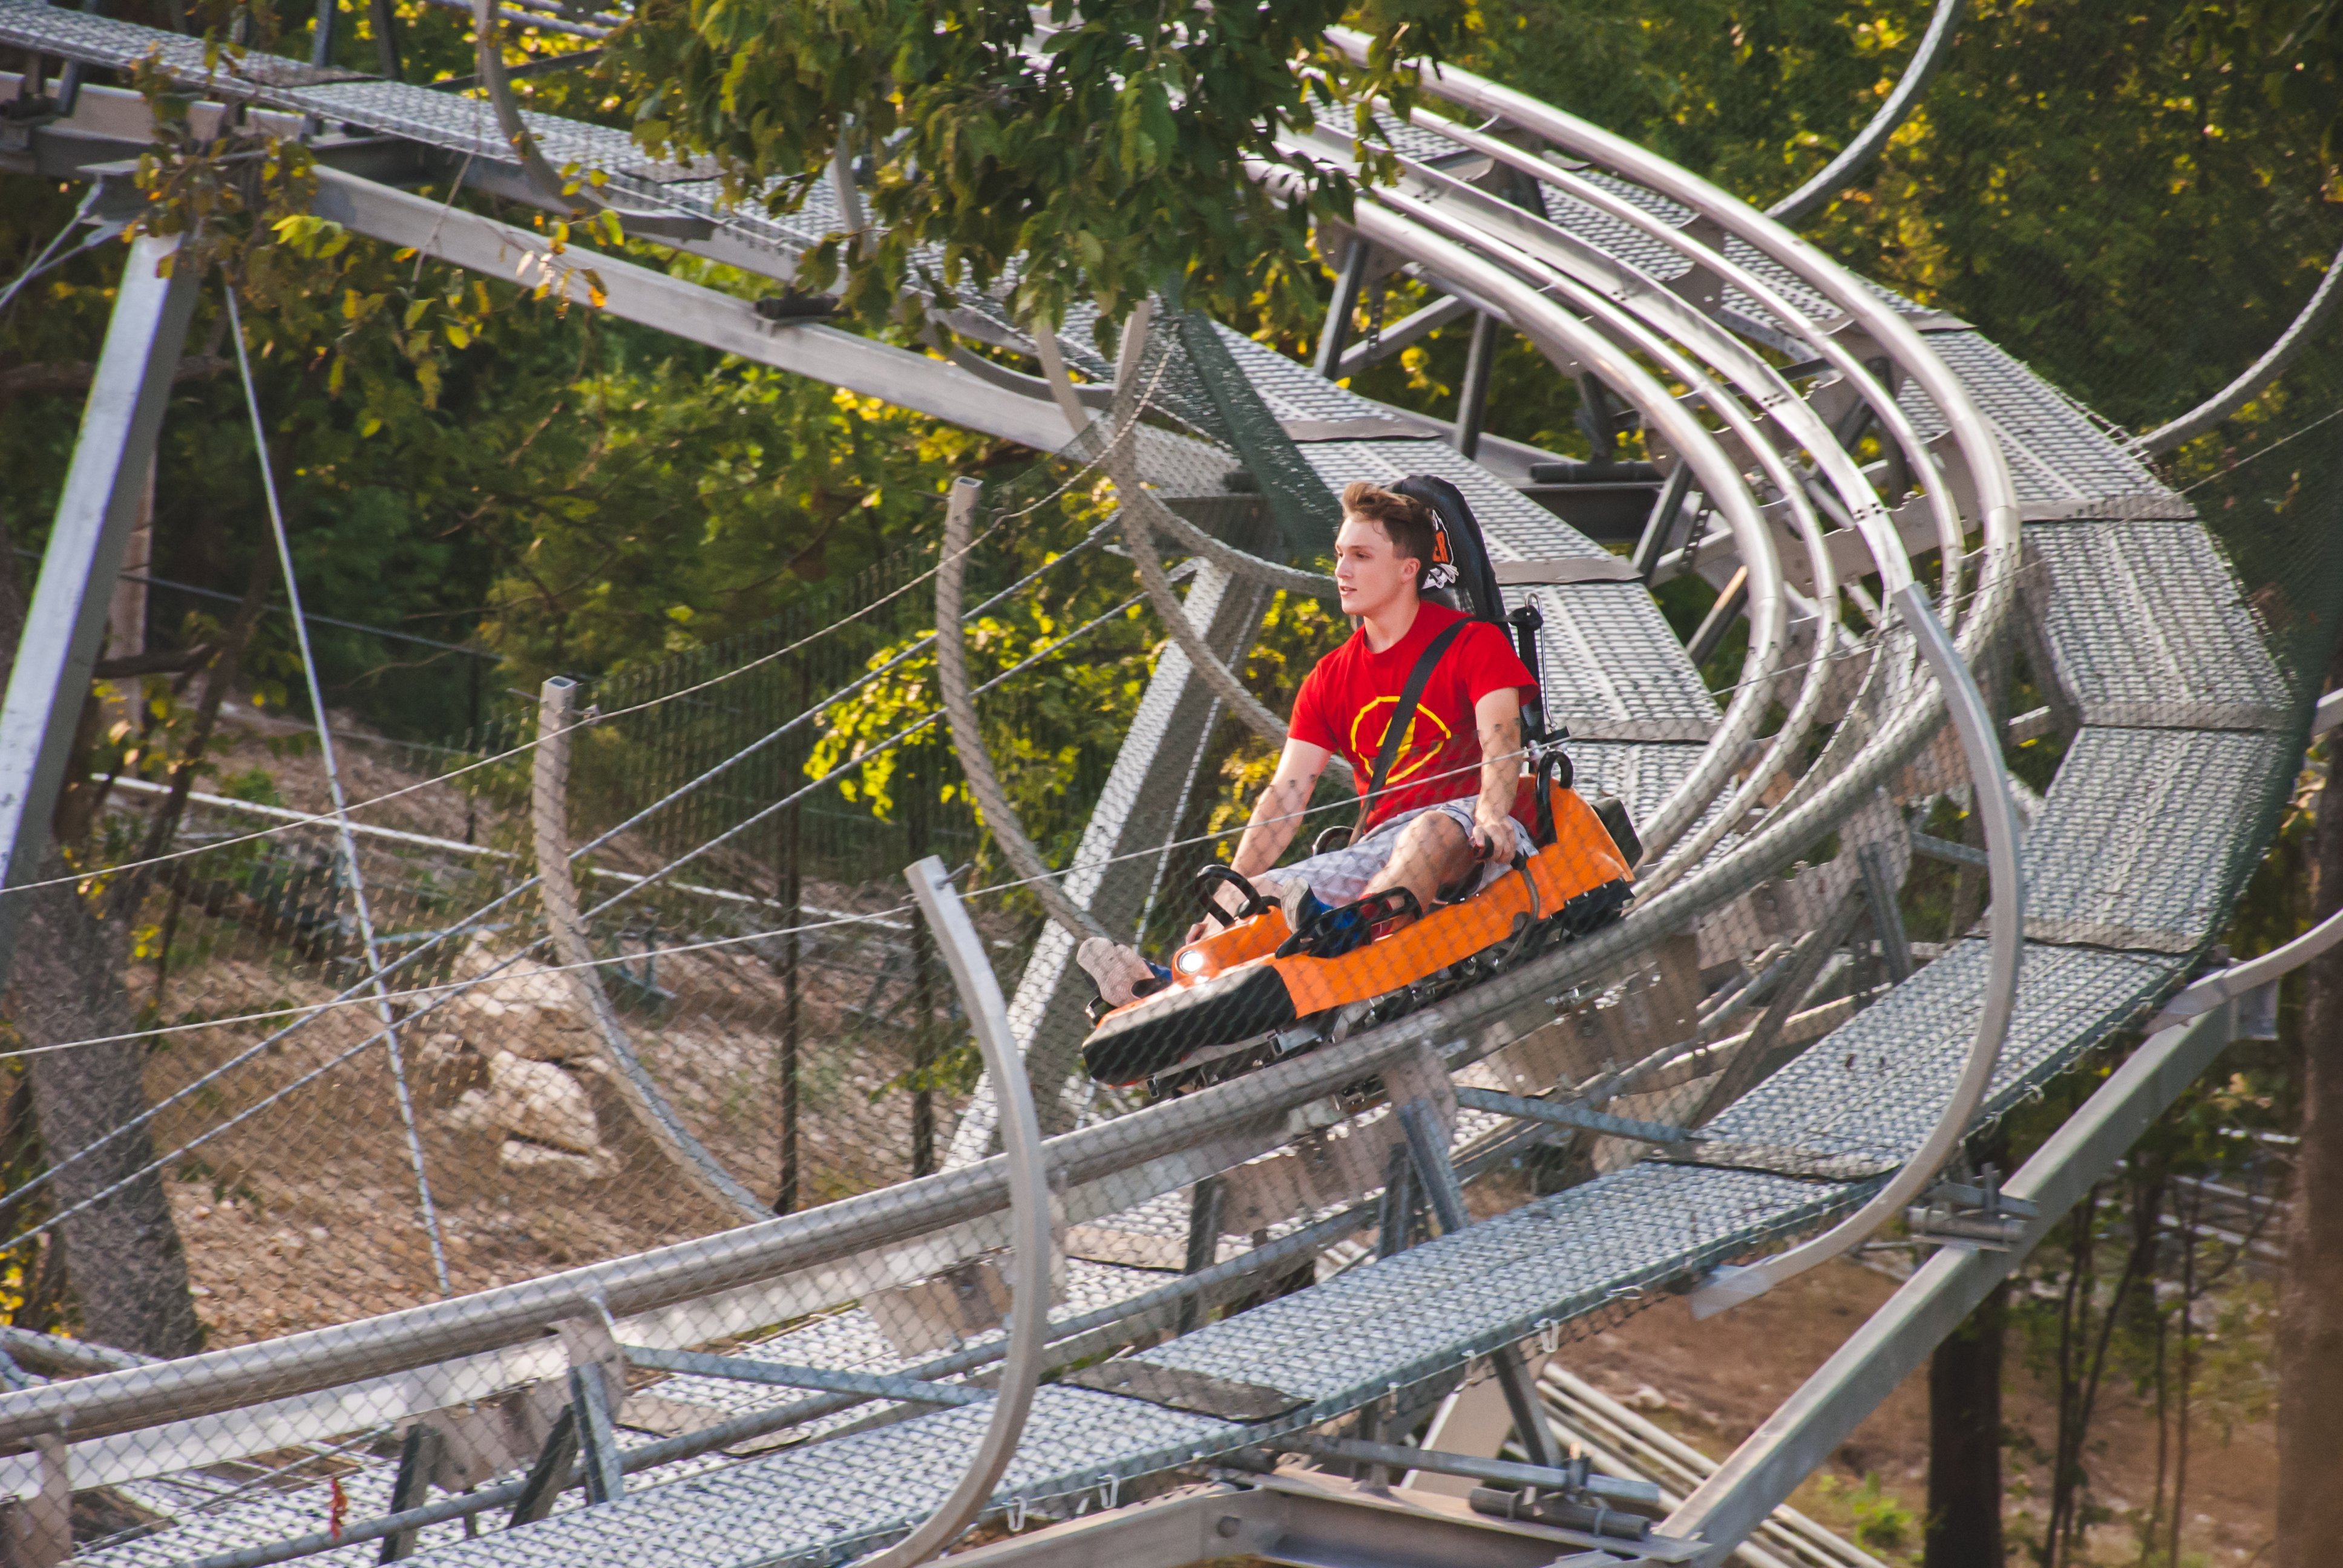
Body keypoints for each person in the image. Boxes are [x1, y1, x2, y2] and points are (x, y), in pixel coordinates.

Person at [1079, 480, 1540, 1009]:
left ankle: (1345, 935)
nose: (1342, 571)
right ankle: (1165, 987)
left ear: (1409, 569)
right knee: (1268, 892)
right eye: (1341, 555)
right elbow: (1285, 798)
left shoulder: (1472, 641)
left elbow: (1503, 738)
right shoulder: (1329, 677)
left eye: (1361, 557)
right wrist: (1230, 902)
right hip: (1377, 844)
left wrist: (1492, 814)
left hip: (1471, 830)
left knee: (1429, 832)